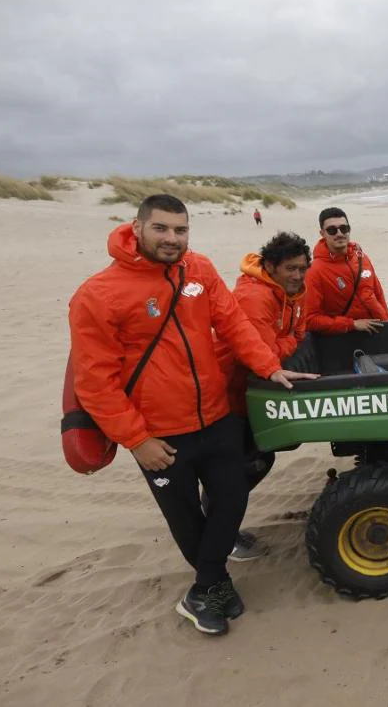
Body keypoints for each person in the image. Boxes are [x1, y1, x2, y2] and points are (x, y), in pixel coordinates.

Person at [68, 194, 317, 636]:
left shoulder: (197, 269)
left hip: (215, 415)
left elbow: (234, 325)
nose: (172, 238)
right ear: (137, 227)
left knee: (231, 499)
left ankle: (205, 586)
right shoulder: (97, 294)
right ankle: (211, 586)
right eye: (161, 229)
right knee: (187, 519)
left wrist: (268, 366)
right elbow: (95, 382)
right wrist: (137, 440)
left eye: (180, 230)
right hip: (159, 434)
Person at [214, 231, 312, 559]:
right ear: (270, 266)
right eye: (290, 269)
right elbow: (261, 354)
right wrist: (286, 345)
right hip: (227, 393)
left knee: (255, 460)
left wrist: (283, 344)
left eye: (302, 268)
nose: (298, 276)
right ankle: (220, 537)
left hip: (249, 390)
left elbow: (295, 333)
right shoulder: (256, 297)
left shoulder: (289, 294)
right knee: (238, 468)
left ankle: (224, 530)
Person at [303, 207, 388, 334]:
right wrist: (351, 324)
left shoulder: (362, 258)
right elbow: (309, 319)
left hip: (380, 332)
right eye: (332, 230)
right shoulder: (314, 271)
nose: (339, 233)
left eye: (344, 228)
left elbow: (378, 295)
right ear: (322, 233)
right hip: (345, 339)